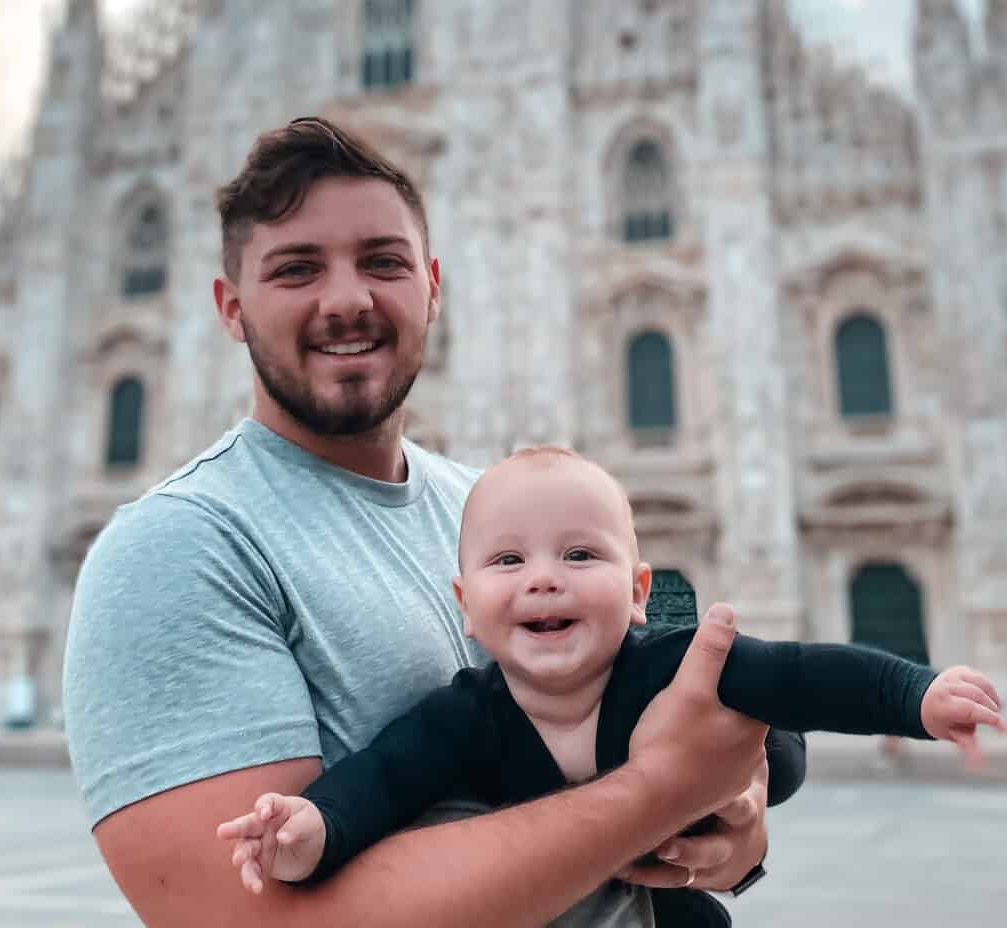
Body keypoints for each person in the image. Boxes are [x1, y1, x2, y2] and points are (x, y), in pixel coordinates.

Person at [64, 117, 796, 928]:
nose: (347, 301)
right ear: (231, 308)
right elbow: (256, 922)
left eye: (383, 261)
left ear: (433, 286)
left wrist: (733, 820)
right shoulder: (178, 549)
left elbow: (683, 689)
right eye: (297, 269)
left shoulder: (507, 509)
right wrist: (658, 792)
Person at [216, 446, 1006, 925]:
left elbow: (806, 675)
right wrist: (309, 831)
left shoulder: (671, 665)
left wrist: (919, 696)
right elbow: (381, 779)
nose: (544, 582)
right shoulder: (469, 712)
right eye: (507, 563)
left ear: (638, 593)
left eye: (580, 557)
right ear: (465, 608)